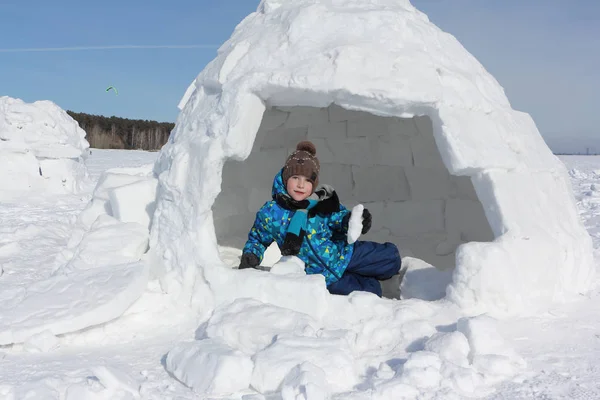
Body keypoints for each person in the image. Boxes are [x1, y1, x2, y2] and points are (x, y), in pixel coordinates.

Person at [238, 141, 401, 297]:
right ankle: (380, 285)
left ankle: (391, 271)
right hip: (322, 276)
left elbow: (337, 217)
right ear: (285, 178)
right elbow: (258, 238)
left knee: (389, 258)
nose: (301, 185)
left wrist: (351, 221)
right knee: (371, 292)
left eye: (308, 180)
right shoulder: (271, 212)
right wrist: (251, 255)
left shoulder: (320, 204)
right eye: (296, 178)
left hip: (343, 253)